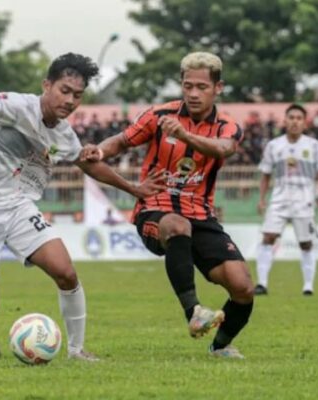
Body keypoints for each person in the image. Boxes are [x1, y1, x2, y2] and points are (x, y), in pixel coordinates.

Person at [0, 53, 164, 361]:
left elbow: (90, 165)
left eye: (77, 95)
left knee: (66, 273)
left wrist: (134, 189)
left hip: (18, 207)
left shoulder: (64, 135)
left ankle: (77, 350)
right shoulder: (19, 105)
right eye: (64, 90)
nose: (70, 100)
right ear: (47, 85)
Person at [83, 52, 254, 359]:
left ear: (218, 88)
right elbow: (121, 140)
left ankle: (220, 346)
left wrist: (185, 134)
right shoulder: (159, 115)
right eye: (187, 85)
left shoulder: (227, 126)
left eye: (201, 87)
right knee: (177, 225)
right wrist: (99, 150)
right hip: (155, 209)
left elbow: (224, 149)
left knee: (243, 288)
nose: (193, 93)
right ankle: (194, 311)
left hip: (201, 214)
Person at [254, 104, 318, 296]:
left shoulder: (314, 146)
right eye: (291, 117)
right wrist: (262, 199)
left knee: (306, 243)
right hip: (279, 200)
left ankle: (308, 286)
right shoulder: (274, 145)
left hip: (304, 200)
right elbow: (265, 175)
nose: (295, 121)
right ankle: (262, 283)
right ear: (285, 121)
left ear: (305, 123)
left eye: (299, 118)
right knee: (268, 237)